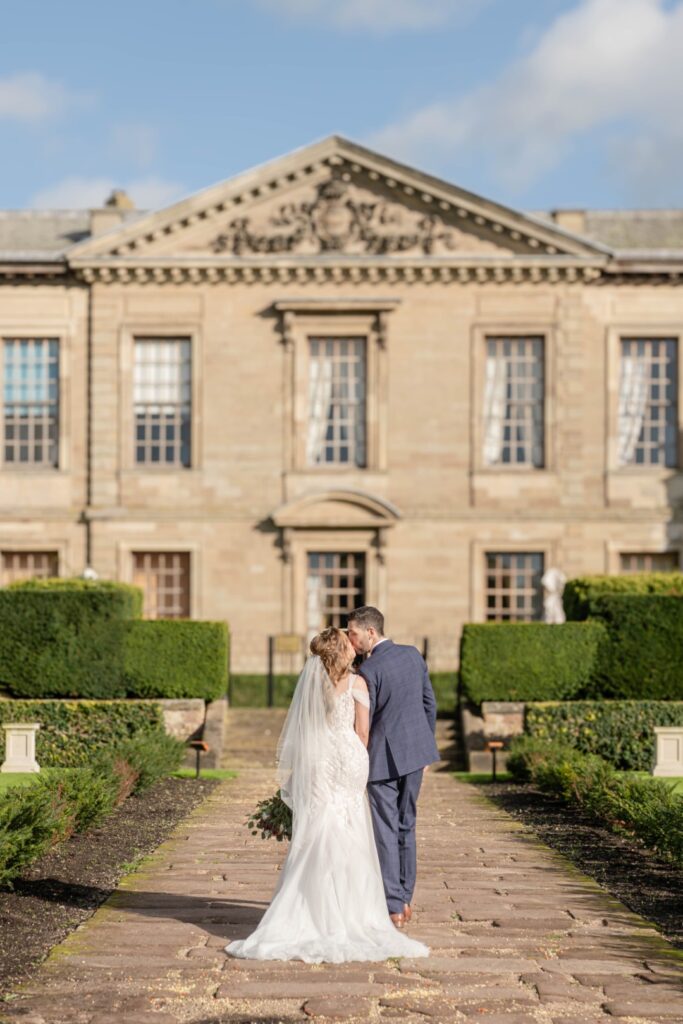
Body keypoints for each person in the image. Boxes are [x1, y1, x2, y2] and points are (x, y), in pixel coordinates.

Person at [225, 626, 429, 963]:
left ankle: (310, 908)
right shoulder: (358, 683)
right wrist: (354, 757)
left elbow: (305, 727)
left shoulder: (313, 683)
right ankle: (354, 910)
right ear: (344, 653)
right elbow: (362, 731)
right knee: (351, 827)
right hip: (348, 757)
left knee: (318, 824)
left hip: (318, 759)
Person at [347, 607, 439, 929]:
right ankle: (406, 899)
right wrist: (425, 749)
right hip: (416, 754)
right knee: (407, 824)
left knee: (385, 830)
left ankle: (394, 905)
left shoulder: (367, 671)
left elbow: (364, 726)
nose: (350, 639)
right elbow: (429, 704)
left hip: (381, 761)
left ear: (370, 633)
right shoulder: (413, 655)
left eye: (353, 633)